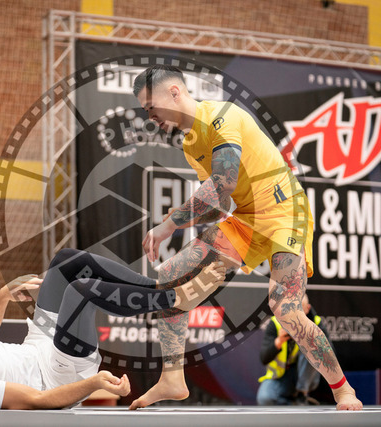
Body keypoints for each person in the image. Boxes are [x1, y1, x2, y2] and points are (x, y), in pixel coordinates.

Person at [130, 65, 362, 410]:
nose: (150, 116)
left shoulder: (221, 116)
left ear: (174, 92)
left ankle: (343, 390)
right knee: (170, 275)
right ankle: (172, 379)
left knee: (285, 308)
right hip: (247, 218)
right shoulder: (191, 145)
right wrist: (180, 219)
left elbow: (222, 183)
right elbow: (219, 204)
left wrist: (170, 226)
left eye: (151, 107)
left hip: (286, 210)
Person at [0, 248, 226, 410]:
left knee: (65, 262)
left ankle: (161, 292)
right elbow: (38, 401)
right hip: (58, 376)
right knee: (81, 291)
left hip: (39, 346)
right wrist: (93, 384)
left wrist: (2, 296)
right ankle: (175, 300)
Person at [257, 294, 326, 405]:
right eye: (291, 312)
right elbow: (264, 358)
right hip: (282, 376)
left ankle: (302, 394)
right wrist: (279, 340)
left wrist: (307, 335)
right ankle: (294, 403)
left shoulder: (316, 322)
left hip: (307, 377)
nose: (295, 318)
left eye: (299, 312)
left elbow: (330, 354)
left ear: (307, 309)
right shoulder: (276, 323)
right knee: (265, 398)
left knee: (313, 346)